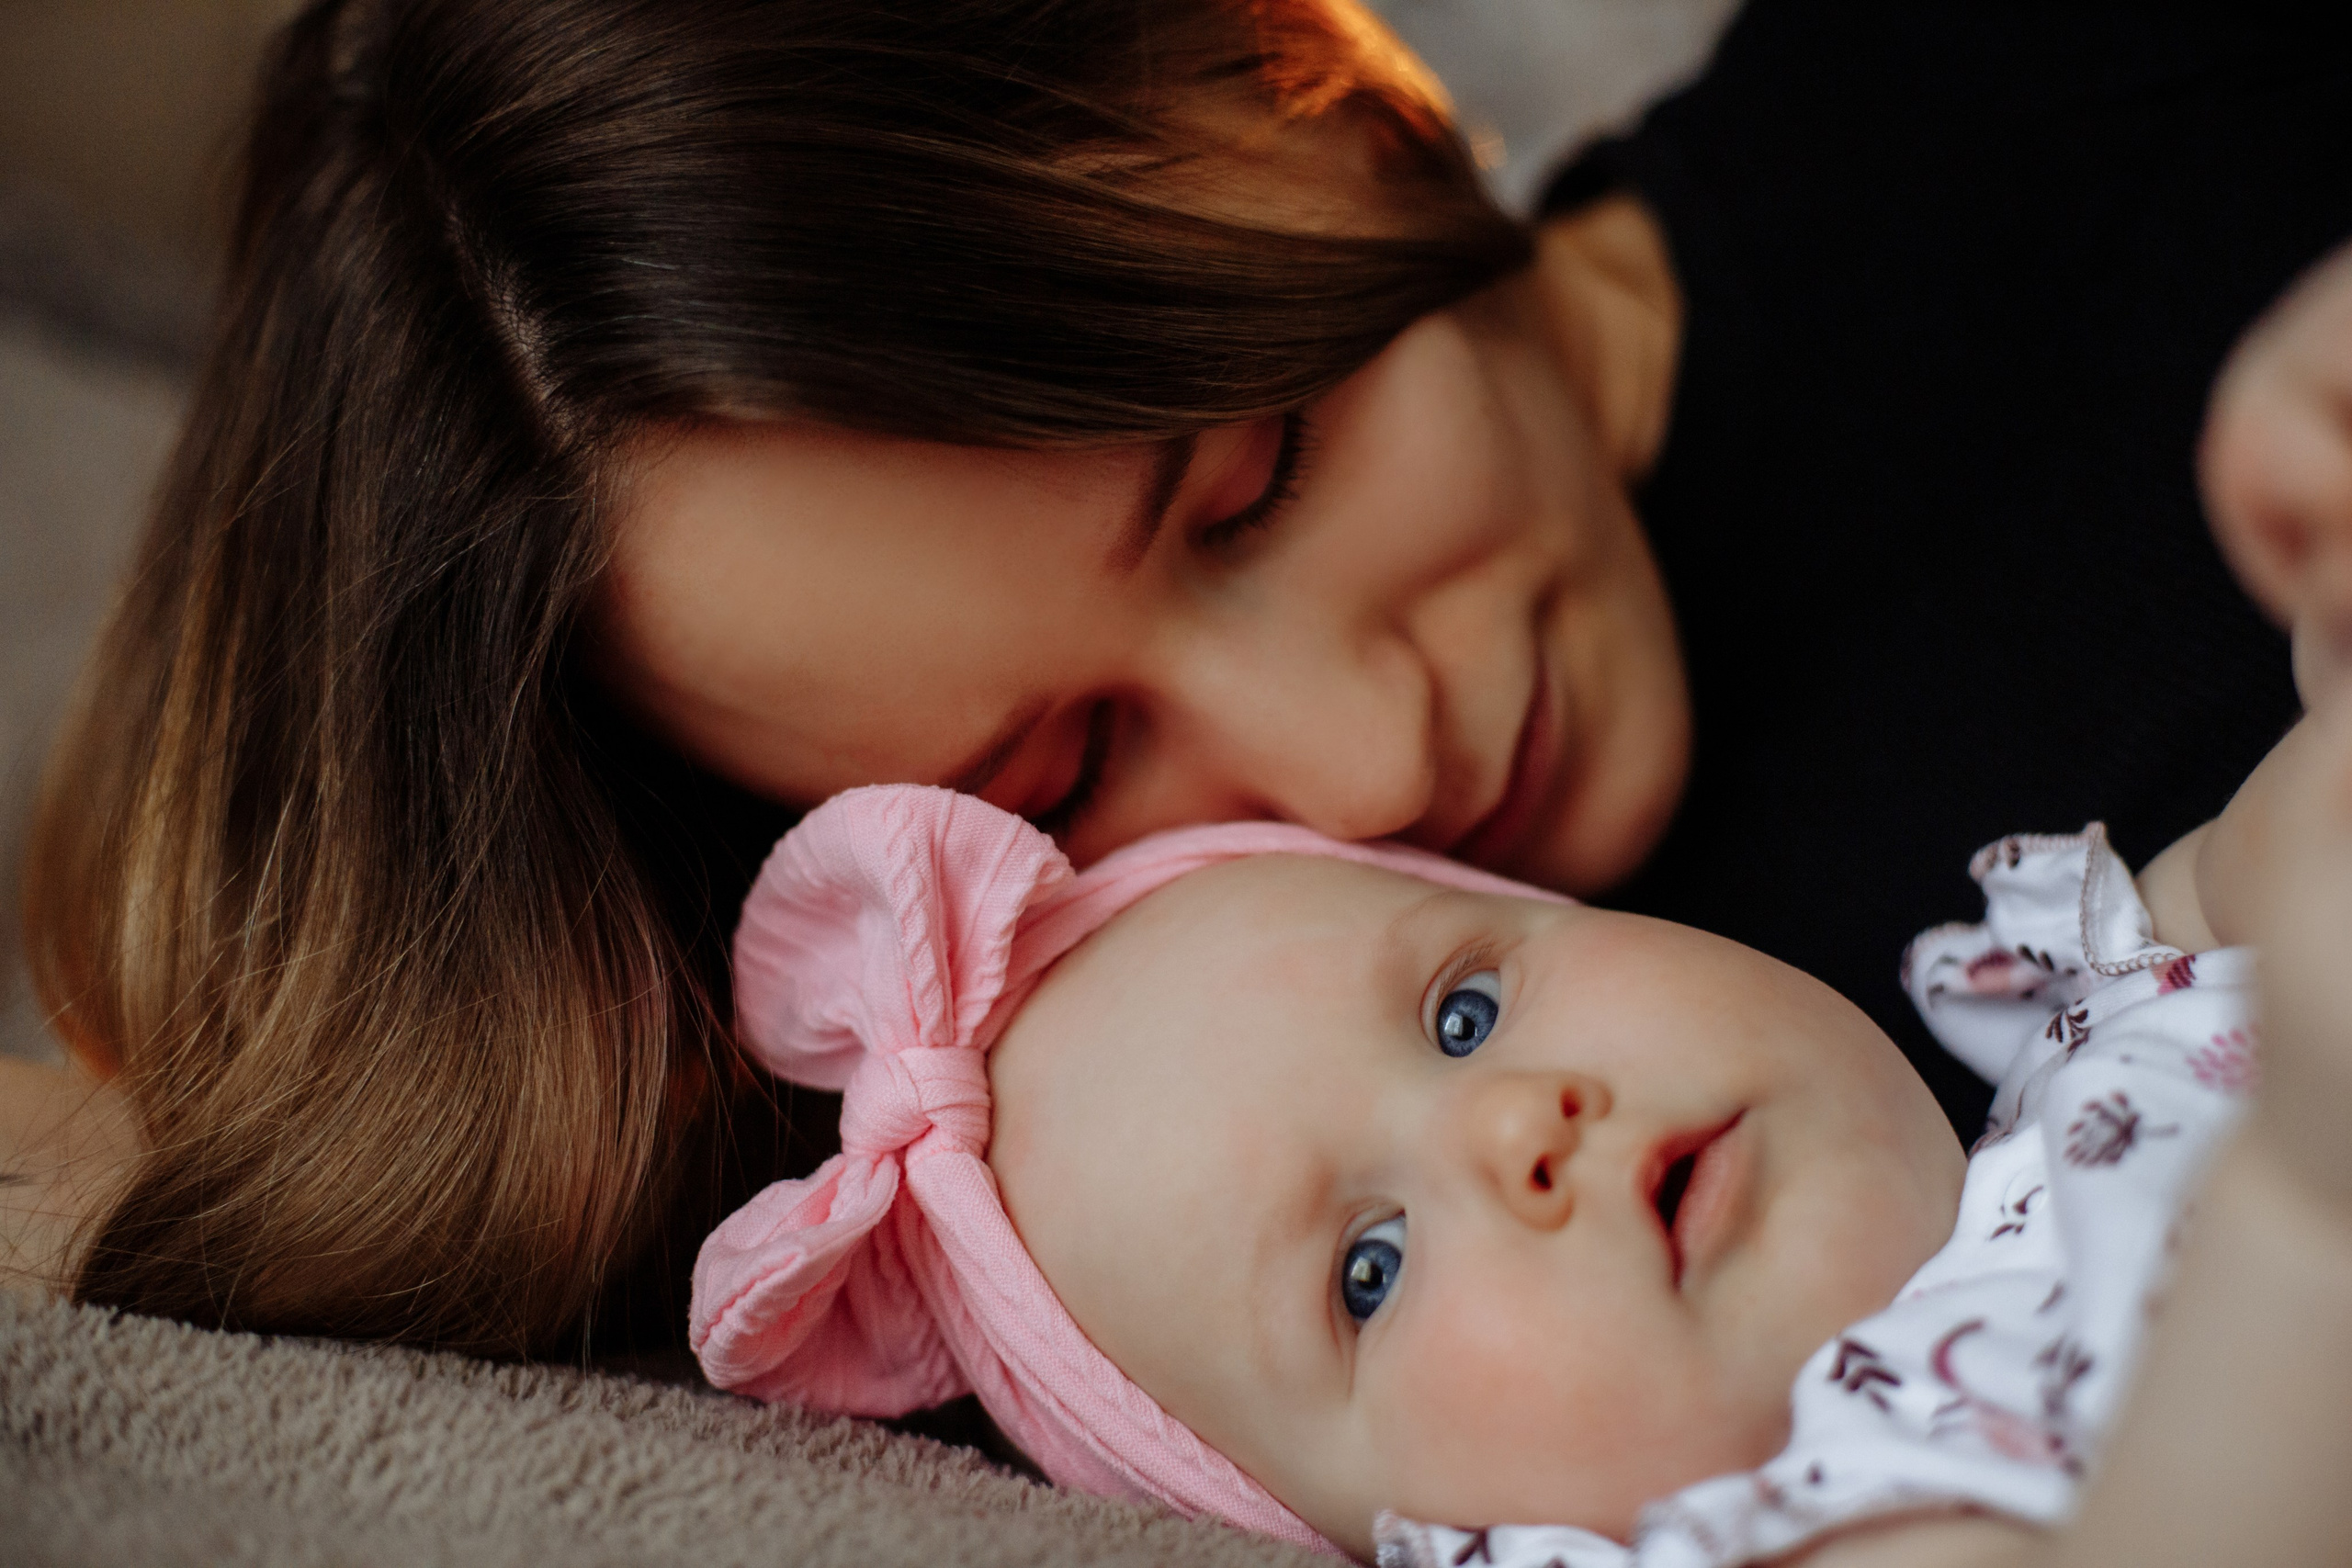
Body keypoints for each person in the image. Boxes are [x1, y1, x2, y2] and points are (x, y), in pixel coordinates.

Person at [7, 0, 2352, 1356]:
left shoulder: (2078, 74)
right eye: (1060, 775)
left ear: (1299, 65)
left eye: (1257, 482)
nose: (1370, 756)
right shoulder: (1163, 1185)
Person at [685, 683, 2352, 1564]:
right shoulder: (1832, 1527)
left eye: (1464, 1013)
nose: (1515, 1131)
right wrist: (2301, 1223)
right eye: (1370, 1270)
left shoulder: (2092, 1025)